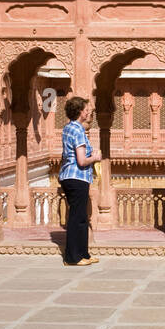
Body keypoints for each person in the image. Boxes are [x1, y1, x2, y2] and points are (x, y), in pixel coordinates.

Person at [59, 96, 102, 266]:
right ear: (80, 112)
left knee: (81, 217)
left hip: (69, 176)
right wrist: (96, 157)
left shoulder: (68, 128)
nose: (88, 111)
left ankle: (83, 253)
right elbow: (82, 160)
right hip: (77, 177)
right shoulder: (77, 131)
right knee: (77, 218)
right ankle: (72, 257)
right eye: (86, 109)